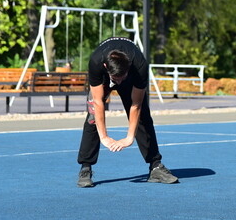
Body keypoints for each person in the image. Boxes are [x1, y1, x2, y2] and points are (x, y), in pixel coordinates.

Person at [76, 36, 179, 188]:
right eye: (115, 78)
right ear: (106, 66)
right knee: (93, 117)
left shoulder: (139, 66)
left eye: (121, 77)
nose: (118, 82)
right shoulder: (96, 62)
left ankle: (155, 167)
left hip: (131, 79)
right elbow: (98, 102)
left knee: (143, 116)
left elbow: (136, 105)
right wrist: (104, 137)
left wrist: (129, 137)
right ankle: (85, 168)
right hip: (104, 79)